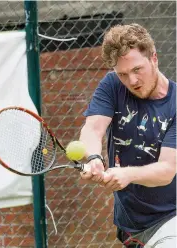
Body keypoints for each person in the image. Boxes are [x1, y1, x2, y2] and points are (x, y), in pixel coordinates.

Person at [79, 23, 176, 247]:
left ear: (154, 58)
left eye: (137, 70)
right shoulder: (112, 85)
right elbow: (93, 128)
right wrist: (94, 158)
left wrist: (127, 174)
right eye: (123, 74)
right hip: (130, 225)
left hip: (171, 217)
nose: (131, 81)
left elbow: (167, 170)